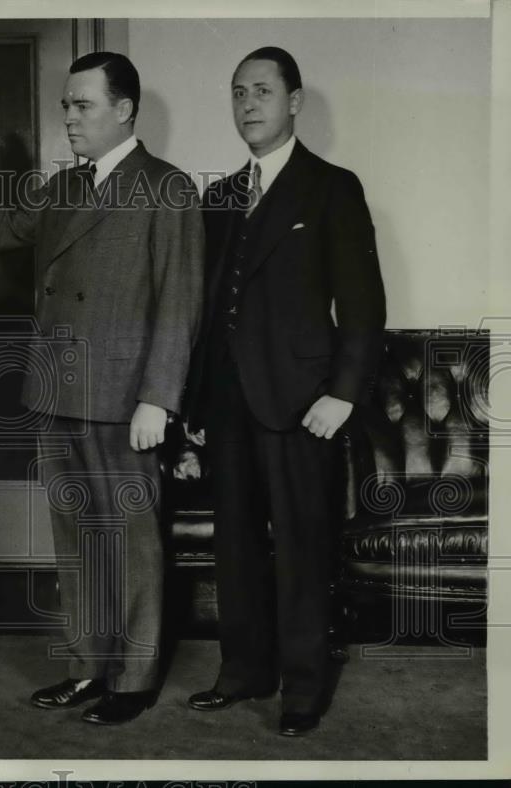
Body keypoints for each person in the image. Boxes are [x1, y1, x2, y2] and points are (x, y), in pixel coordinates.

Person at [0, 52, 204, 725]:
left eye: (82, 105)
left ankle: (136, 677)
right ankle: (89, 665)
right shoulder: (64, 188)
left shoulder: (167, 187)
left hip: (125, 399)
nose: (68, 117)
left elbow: (180, 301)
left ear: (124, 109)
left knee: (130, 537)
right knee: (77, 540)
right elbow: (1, 234)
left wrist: (160, 397)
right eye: (66, 105)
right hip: (57, 390)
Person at [183, 47, 386, 736]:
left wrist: (342, 395)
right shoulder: (219, 197)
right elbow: (211, 310)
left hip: (304, 403)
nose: (248, 104)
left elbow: (363, 307)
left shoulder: (332, 187)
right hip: (231, 403)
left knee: (302, 548)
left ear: (294, 102)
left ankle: (302, 689)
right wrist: (197, 407)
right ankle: (243, 670)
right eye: (238, 91)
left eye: (263, 91)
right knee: (234, 544)